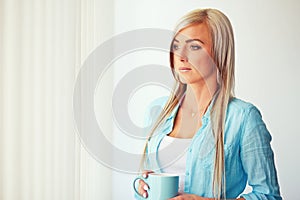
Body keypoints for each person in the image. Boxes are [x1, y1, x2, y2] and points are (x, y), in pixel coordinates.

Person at [136, 8, 282, 200]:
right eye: (176, 46)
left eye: (194, 47)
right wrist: (140, 187)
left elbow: (268, 195)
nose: (181, 56)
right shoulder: (156, 111)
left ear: (219, 53)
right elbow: (144, 183)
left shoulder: (244, 118)